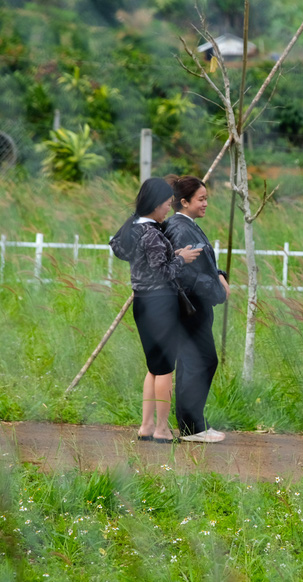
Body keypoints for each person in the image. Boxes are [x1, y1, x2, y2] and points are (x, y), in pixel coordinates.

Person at [110, 178, 201, 443]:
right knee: (165, 369)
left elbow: (131, 254)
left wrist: (172, 254)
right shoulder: (151, 233)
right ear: (155, 205)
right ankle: (162, 428)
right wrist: (181, 259)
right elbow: (163, 273)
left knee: (153, 366)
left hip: (142, 302)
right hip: (161, 302)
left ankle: (146, 426)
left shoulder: (132, 228)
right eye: (165, 205)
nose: (167, 210)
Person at [164, 175, 230, 443]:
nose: (206, 204)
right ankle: (192, 427)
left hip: (195, 306)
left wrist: (220, 275)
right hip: (188, 307)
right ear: (184, 202)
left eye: (206, 199)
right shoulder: (180, 229)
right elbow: (184, 274)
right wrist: (216, 287)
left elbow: (203, 263)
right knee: (199, 361)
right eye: (201, 199)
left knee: (197, 361)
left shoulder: (187, 225)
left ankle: (193, 424)